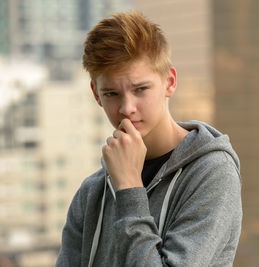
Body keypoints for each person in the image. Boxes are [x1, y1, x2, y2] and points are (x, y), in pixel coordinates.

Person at [56, 11, 242, 267]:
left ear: (170, 82)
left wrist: (130, 189)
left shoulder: (212, 174)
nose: (127, 108)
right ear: (96, 95)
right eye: (111, 93)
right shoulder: (93, 192)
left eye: (140, 89)